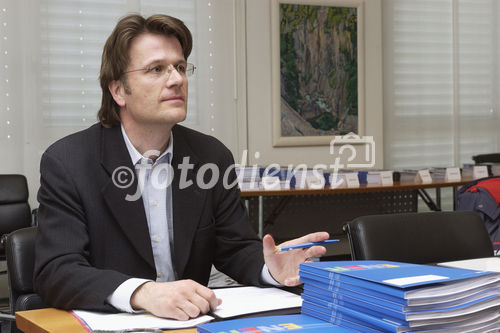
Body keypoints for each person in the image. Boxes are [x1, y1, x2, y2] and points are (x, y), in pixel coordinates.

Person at [33, 13, 329, 320]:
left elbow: (235, 248)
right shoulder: (68, 161)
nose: (177, 79)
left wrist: (271, 268)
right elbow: (56, 270)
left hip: (192, 323)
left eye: (181, 67)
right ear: (118, 90)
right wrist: (142, 292)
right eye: (156, 69)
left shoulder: (211, 156)